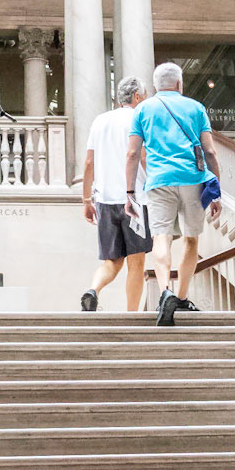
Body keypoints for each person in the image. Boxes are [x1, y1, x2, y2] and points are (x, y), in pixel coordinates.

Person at [125, 61, 222, 326]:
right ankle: (180, 296)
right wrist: (217, 192)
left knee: (161, 238)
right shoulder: (196, 108)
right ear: (180, 84)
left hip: (158, 181)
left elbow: (133, 153)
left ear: (156, 85)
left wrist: (130, 192)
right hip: (192, 179)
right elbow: (211, 152)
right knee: (191, 240)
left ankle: (165, 290)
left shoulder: (143, 109)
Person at [80, 75, 149, 313]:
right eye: (144, 96)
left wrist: (86, 199)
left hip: (105, 199)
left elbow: (89, 163)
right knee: (136, 262)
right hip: (135, 198)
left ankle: (93, 290)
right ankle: (132, 315)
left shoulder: (100, 121)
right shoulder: (141, 117)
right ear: (137, 96)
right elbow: (142, 157)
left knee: (111, 261)